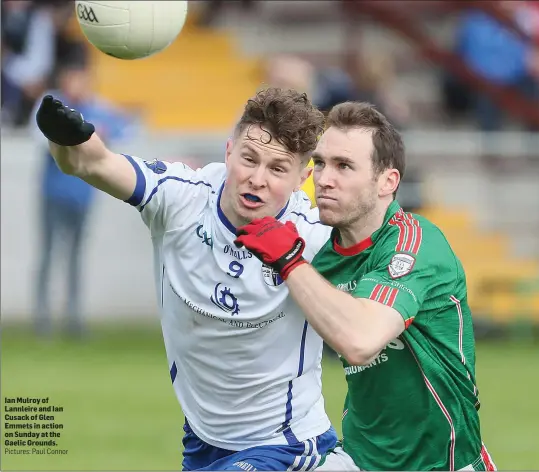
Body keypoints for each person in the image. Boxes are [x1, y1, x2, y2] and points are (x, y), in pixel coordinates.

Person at [35, 87, 337, 471]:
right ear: (229, 152)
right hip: (202, 440)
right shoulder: (180, 198)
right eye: (249, 159)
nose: (257, 179)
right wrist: (62, 137)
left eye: (277, 169)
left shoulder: (313, 237)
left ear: (302, 178)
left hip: (287, 442)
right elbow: (89, 162)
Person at [234, 102, 497, 471]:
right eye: (321, 163)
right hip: (359, 458)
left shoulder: (416, 243)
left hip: (442, 463)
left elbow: (361, 341)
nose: (324, 178)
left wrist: (289, 262)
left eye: (344, 166)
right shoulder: (322, 259)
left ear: (388, 181)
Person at [30, 55, 135, 337]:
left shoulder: (98, 109)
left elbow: (129, 129)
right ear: (64, 80)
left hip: (84, 196)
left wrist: (104, 135)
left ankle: (74, 320)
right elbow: (38, 137)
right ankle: (42, 320)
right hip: (53, 194)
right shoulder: (51, 106)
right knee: (48, 255)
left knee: (76, 258)